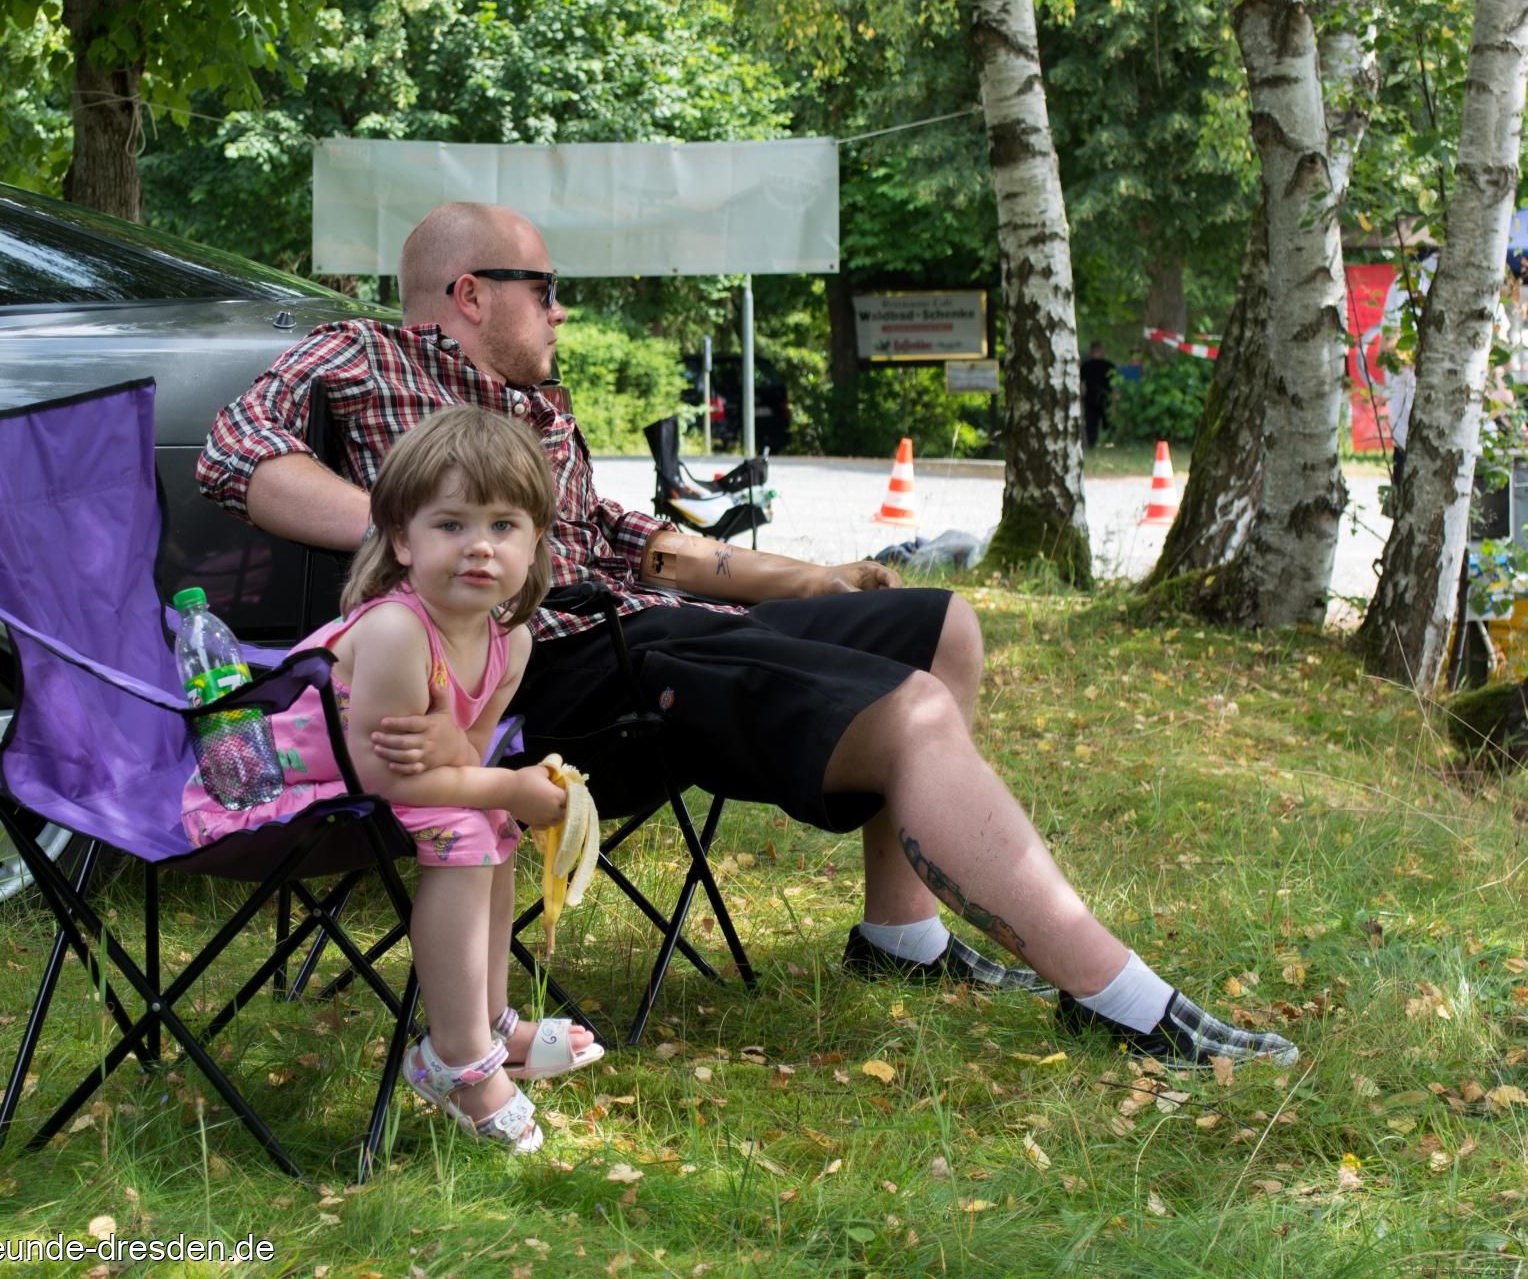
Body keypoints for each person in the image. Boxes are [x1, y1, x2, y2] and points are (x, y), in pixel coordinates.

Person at [197, 201, 1299, 1069]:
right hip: (564, 665)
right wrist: (425, 539)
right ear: (471, 293)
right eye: (548, 291)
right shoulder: (363, 355)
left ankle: (901, 938)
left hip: (657, 620)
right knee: (907, 711)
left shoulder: (542, 412)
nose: (563, 314)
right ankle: (1123, 1001)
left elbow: (634, 540)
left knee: (935, 629)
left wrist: (808, 579)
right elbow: (236, 455)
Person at [185, 405, 602, 1152]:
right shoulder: (397, 629)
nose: (480, 545)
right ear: (403, 540)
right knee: (472, 823)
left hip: (378, 783)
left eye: (504, 526)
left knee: (492, 823)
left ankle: (491, 1021)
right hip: (284, 785)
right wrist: (509, 786)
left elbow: (461, 758)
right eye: (451, 524)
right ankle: (456, 1060)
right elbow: (396, 782)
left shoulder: (511, 641)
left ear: (536, 540)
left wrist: (471, 760)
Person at [1080, 341, 1117, 449]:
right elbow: (1114, 384)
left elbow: (1081, 383)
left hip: (1095, 397)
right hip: (1100, 398)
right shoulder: (1108, 365)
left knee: (1095, 422)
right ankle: (1107, 442)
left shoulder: (1086, 366)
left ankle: (1096, 443)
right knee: (1102, 422)